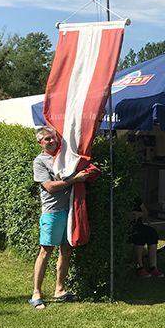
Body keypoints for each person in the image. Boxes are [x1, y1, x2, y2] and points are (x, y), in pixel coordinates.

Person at [29, 126, 95, 309]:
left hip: (72, 210)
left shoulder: (64, 157)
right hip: (52, 212)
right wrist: (75, 180)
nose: (51, 141)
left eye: (52, 138)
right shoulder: (40, 162)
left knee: (66, 250)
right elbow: (49, 187)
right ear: (40, 143)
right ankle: (36, 293)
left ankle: (59, 289)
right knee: (46, 251)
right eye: (47, 139)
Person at [129, 197, 164, 278]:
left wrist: (139, 214)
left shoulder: (136, 198)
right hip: (128, 227)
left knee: (152, 233)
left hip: (138, 225)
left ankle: (153, 267)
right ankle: (139, 266)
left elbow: (145, 213)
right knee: (139, 235)